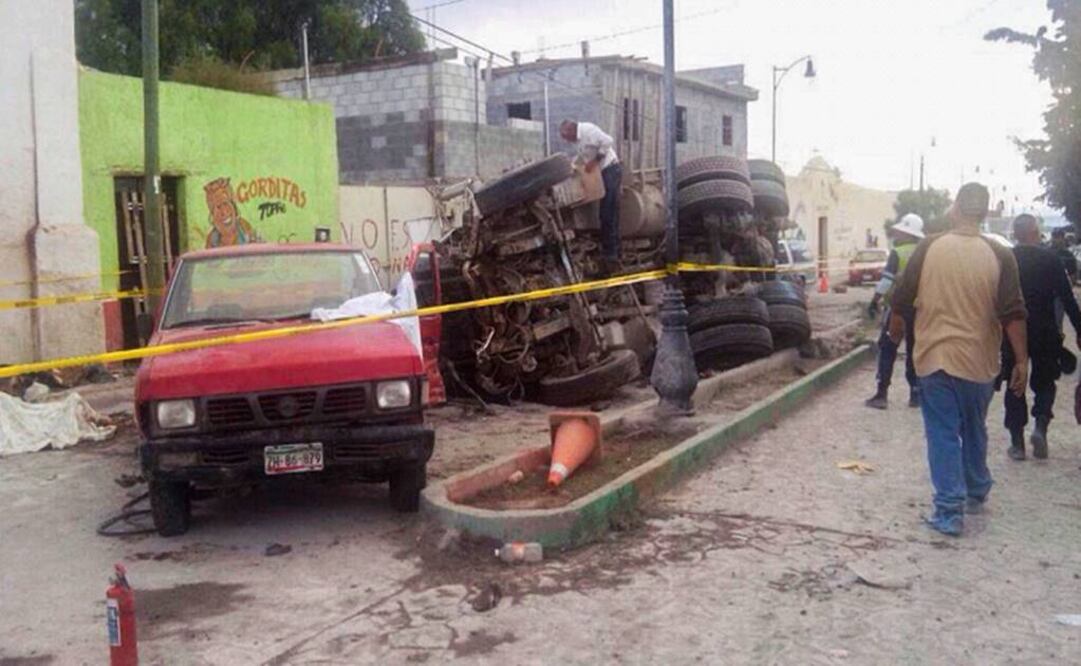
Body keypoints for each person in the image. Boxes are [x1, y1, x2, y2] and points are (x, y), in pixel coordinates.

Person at [890, 182, 1028, 537]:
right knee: (974, 425)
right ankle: (977, 486)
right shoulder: (1001, 255)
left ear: (955, 208)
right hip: (981, 361)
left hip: (935, 356)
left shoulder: (929, 247)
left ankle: (949, 510)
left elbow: (902, 297)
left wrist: (896, 331)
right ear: (984, 213)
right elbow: (1013, 313)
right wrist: (1022, 362)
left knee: (942, 432)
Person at [1001, 214, 1081, 460]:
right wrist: (1079, 329)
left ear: (1016, 234)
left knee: (1015, 381)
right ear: (1035, 233)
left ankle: (1017, 443)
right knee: (1045, 381)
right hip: (1046, 331)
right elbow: (1068, 299)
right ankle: (1041, 426)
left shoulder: (1007, 260)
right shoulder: (1051, 259)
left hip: (1013, 330)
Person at [865, 213, 925, 410]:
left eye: (901, 231)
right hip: (918, 308)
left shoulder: (897, 252)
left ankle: (882, 394)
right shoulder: (924, 252)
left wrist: (875, 300)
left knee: (888, 347)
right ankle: (915, 393)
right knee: (914, 350)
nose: (898, 234)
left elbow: (886, 280)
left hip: (897, 308)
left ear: (908, 233)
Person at [559, 119, 622, 272]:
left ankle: (611, 256)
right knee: (603, 213)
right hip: (600, 173)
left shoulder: (588, 130)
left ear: (572, 130)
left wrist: (595, 160)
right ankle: (610, 250)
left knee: (607, 214)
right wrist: (573, 167)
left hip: (610, 169)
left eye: (566, 137)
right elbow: (583, 157)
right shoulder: (579, 141)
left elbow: (608, 141)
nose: (567, 141)